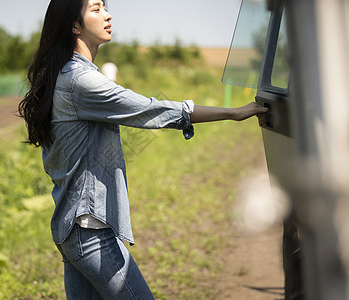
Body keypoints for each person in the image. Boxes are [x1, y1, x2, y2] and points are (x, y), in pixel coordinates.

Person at [18, 0, 268, 299]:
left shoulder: (66, 74)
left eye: (105, 7)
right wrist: (233, 113)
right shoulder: (81, 81)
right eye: (96, 9)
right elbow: (150, 109)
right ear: (75, 25)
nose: (108, 14)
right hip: (89, 230)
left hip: (73, 229)